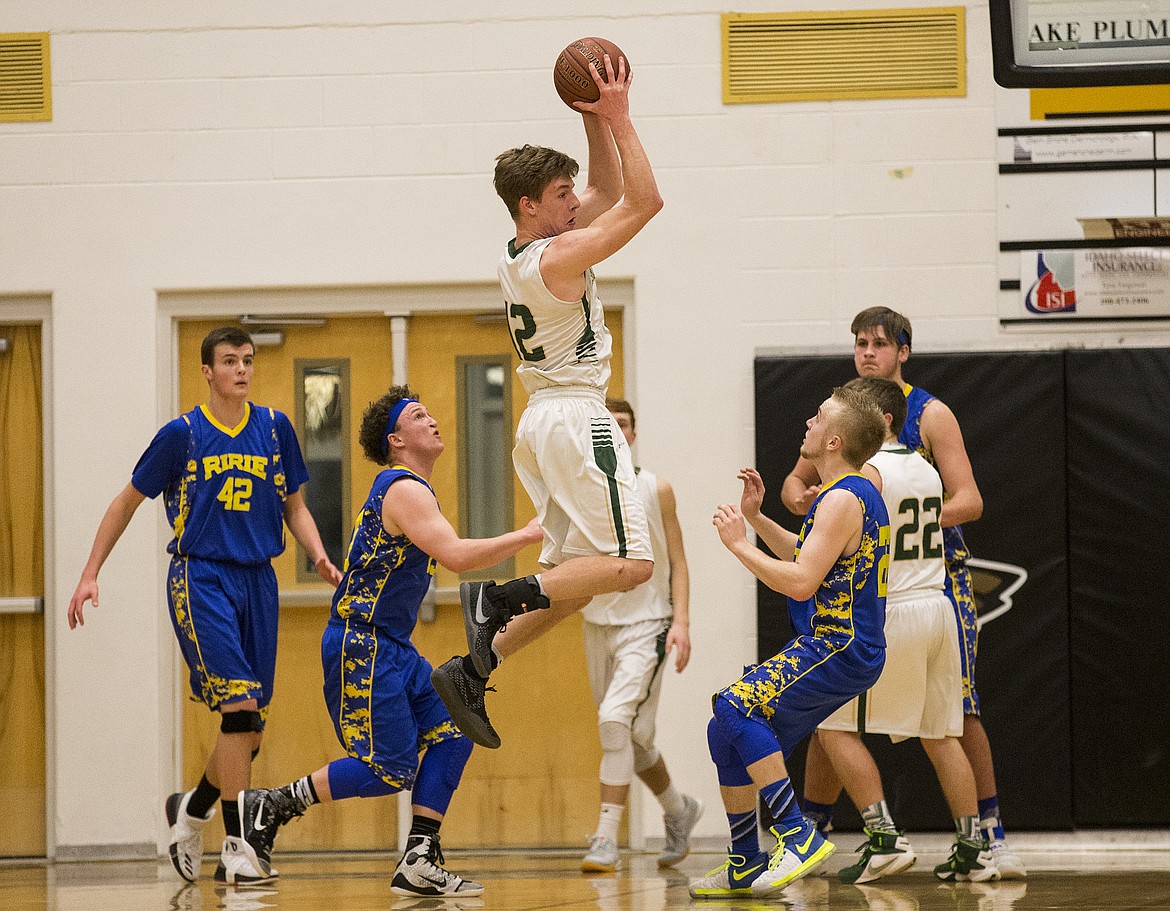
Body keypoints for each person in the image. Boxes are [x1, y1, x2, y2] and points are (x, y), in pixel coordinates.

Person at [431, 48, 663, 750]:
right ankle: (494, 598)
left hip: (543, 421)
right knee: (633, 566)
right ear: (532, 205)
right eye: (562, 195)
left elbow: (604, 184)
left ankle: (475, 664)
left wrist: (592, 117)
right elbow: (644, 200)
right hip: (576, 418)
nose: (576, 201)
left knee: (574, 581)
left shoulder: (525, 249)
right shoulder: (560, 257)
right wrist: (622, 116)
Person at [231, 387, 543, 895]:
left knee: (455, 726)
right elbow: (459, 557)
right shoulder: (402, 488)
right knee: (389, 769)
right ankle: (274, 803)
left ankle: (419, 856)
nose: (434, 419)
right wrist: (528, 536)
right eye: (420, 416)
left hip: (392, 646)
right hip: (362, 643)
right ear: (397, 439)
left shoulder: (413, 488)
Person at [67, 326, 343, 885]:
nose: (241, 369)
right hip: (201, 577)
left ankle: (190, 809)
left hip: (259, 581)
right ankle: (238, 849)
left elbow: (295, 506)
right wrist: (90, 572)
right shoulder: (183, 435)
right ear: (207, 372)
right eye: (229, 361)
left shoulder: (274, 428)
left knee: (251, 731)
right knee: (238, 709)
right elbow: (125, 503)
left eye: (247, 360)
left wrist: (317, 554)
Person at [780, 307, 1026, 879]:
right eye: (860, 343)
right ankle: (961, 843)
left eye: (878, 343)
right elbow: (798, 481)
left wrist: (849, 521)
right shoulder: (900, 457)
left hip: (905, 586)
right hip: (926, 598)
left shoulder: (923, 422)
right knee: (936, 727)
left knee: (846, 713)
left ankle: (913, 834)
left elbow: (970, 500)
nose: (867, 351)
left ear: (903, 353)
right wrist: (799, 499)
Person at [689, 385, 889, 899]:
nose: (808, 422)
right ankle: (744, 863)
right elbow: (809, 554)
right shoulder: (849, 493)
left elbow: (800, 581)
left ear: (834, 441)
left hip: (838, 643)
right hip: (846, 647)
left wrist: (737, 547)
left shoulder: (844, 497)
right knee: (723, 729)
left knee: (733, 705)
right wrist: (755, 521)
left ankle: (797, 835)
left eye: (818, 418)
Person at [810, 377, 998, 883]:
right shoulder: (925, 468)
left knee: (830, 721)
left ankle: (883, 836)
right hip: (936, 605)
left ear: (876, 418)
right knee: (941, 733)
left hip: (893, 611)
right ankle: (973, 847)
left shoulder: (868, 474)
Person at [576, 398, 702, 873]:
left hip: (648, 622)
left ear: (631, 434)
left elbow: (680, 561)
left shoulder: (655, 488)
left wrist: (682, 622)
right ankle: (679, 810)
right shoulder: (580, 490)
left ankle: (605, 838)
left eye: (622, 424)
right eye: (605, 424)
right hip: (596, 622)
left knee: (613, 723)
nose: (614, 430)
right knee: (635, 738)